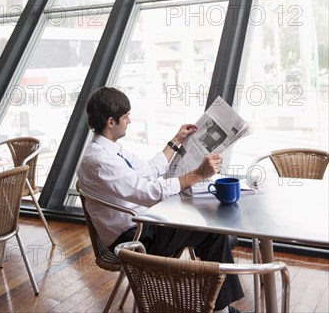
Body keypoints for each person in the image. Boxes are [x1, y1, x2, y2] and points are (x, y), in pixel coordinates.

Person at [78, 86, 249, 313]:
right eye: (126, 116)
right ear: (111, 122)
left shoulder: (110, 150)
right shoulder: (100, 161)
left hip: (142, 224)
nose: (130, 120)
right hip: (134, 240)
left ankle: (218, 299)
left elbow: (149, 169)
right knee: (212, 232)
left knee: (210, 229)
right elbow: (149, 193)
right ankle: (220, 310)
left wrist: (176, 140)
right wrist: (198, 174)